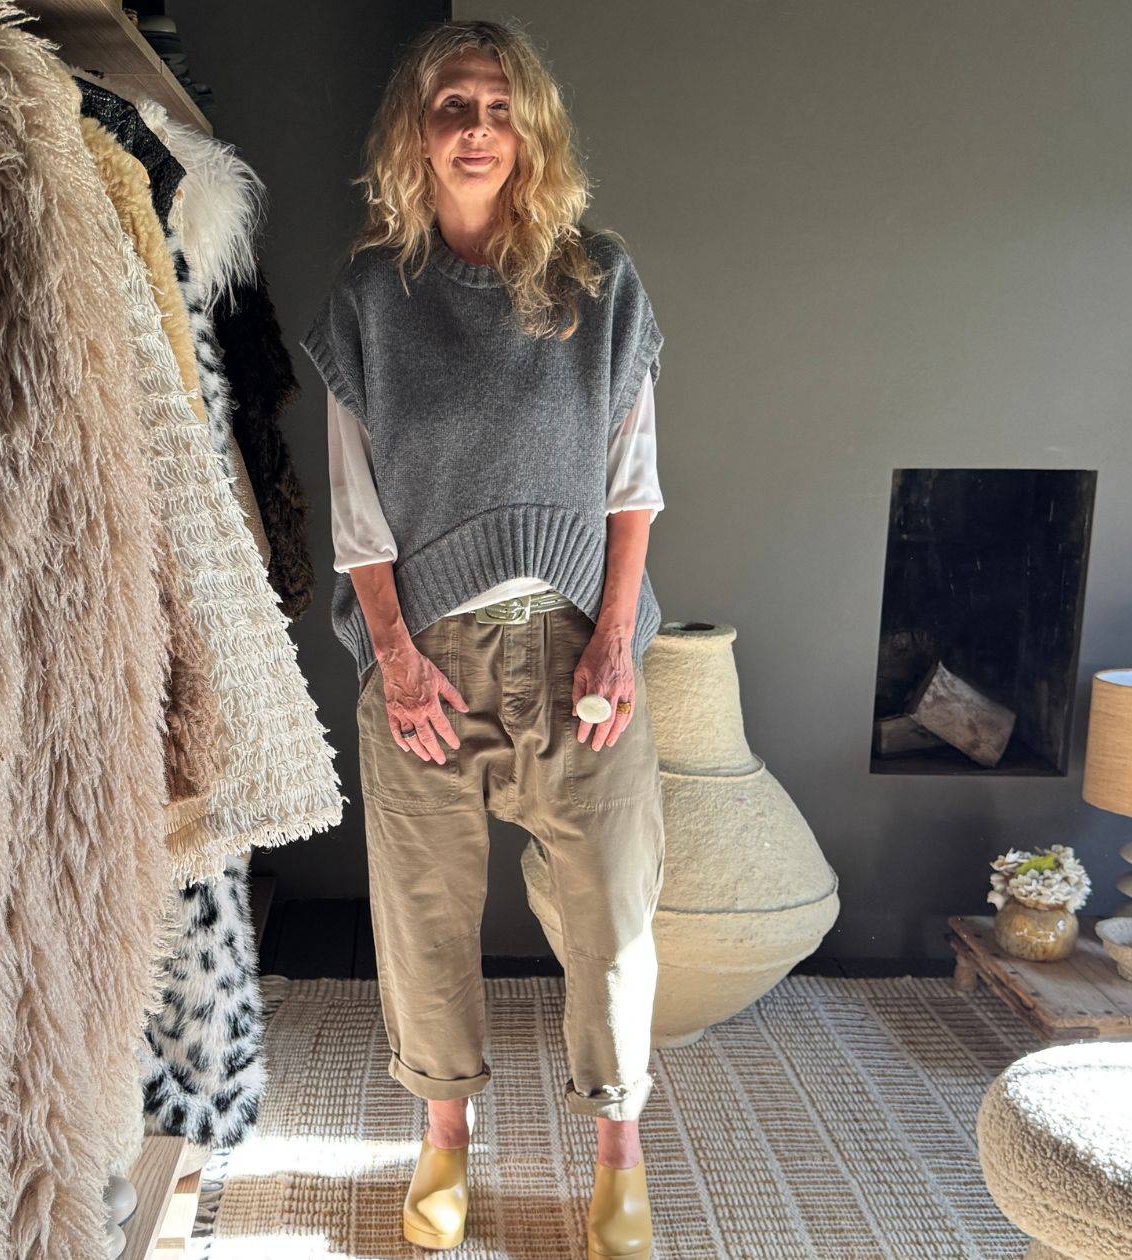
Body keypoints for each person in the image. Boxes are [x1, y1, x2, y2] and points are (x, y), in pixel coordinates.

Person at [299, 18, 667, 1259]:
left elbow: (631, 483)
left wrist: (613, 639)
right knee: (423, 915)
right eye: (453, 106)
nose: (476, 130)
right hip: (428, 661)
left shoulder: (597, 281)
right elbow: (355, 510)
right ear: (417, 130)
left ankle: (618, 1159)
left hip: (576, 649)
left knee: (612, 914)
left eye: (501, 109)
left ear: (531, 133)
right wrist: (396, 660)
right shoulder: (370, 298)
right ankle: (443, 1144)